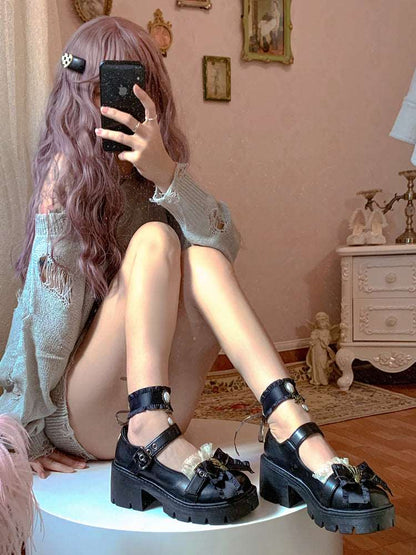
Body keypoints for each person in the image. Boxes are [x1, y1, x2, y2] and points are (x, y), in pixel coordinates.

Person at [0, 15, 394, 532]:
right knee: (156, 238)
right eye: (105, 90)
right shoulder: (66, 182)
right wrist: (22, 432)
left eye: (135, 89)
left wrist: (167, 174)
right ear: (80, 98)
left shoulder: (158, 171)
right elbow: (43, 325)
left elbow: (226, 243)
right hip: (86, 416)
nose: (120, 105)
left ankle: (288, 423)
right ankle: (147, 429)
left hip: (166, 406)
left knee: (204, 254)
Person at [306, 312, 336, 386]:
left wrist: (322, 339)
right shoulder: (315, 331)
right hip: (316, 350)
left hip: (323, 350)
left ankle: (324, 379)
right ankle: (317, 379)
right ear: (317, 324)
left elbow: (327, 342)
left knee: (323, 364)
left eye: (323, 322)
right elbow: (312, 341)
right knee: (316, 364)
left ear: (326, 323)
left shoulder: (327, 332)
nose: (321, 324)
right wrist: (314, 339)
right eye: (319, 323)